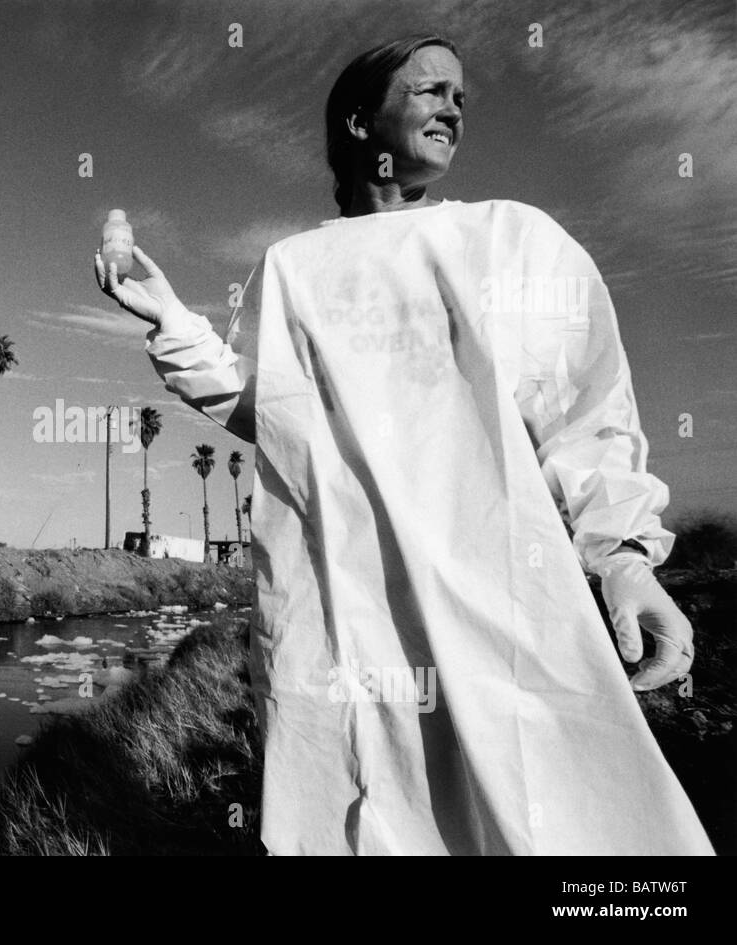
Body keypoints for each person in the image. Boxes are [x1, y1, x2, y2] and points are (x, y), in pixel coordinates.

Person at [94, 34, 713, 855]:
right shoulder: (293, 265)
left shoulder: (510, 238)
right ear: (358, 121)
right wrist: (170, 320)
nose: (453, 106)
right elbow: (282, 418)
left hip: (503, 609)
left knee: (568, 830)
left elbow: (585, 411)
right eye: (429, 90)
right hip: (340, 625)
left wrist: (625, 558)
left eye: (460, 96)